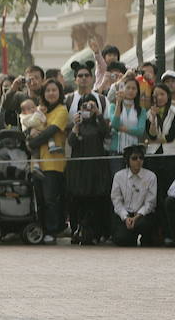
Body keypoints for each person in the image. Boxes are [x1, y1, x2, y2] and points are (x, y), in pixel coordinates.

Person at [25, 78, 68, 243]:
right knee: (40, 199)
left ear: (59, 92)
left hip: (53, 162)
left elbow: (50, 132)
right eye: (48, 90)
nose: (51, 93)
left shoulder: (62, 110)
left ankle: (52, 231)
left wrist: (31, 143)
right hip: (37, 163)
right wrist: (29, 135)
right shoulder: (40, 110)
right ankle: (41, 230)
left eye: (54, 90)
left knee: (51, 199)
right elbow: (29, 128)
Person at [65, 94, 111, 244]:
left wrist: (98, 114)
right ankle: (77, 230)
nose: (87, 109)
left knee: (96, 200)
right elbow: (71, 142)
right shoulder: (77, 124)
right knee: (78, 199)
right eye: (84, 106)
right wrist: (76, 126)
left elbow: (107, 133)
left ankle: (95, 233)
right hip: (79, 169)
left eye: (90, 106)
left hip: (96, 168)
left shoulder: (99, 123)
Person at [144, 82, 175, 234]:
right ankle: (159, 231)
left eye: (162, 94)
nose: (158, 97)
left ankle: (171, 232)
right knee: (156, 194)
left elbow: (171, 136)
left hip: (171, 157)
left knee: (169, 193)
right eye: (155, 95)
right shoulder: (149, 113)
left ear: (168, 95)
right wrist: (153, 118)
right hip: (154, 157)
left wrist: (154, 140)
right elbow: (151, 135)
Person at [111, 145, 157, 246]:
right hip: (125, 214)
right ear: (128, 160)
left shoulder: (151, 176)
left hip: (142, 215)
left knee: (146, 230)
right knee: (121, 239)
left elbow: (150, 203)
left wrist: (137, 217)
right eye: (134, 158)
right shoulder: (119, 176)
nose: (138, 160)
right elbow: (116, 200)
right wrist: (125, 217)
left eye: (141, 158)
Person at [107, 77, 148, 175]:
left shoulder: (141, 110)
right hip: (116, 150)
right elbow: (114, 123)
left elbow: (140, 131)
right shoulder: (113, 106)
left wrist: (122, 128)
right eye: (128, 88)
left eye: (133, 88)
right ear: (123, 89)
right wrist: (118, 103)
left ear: (137, 91)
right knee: (117, 178)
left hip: (134, 152)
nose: (130, 91)